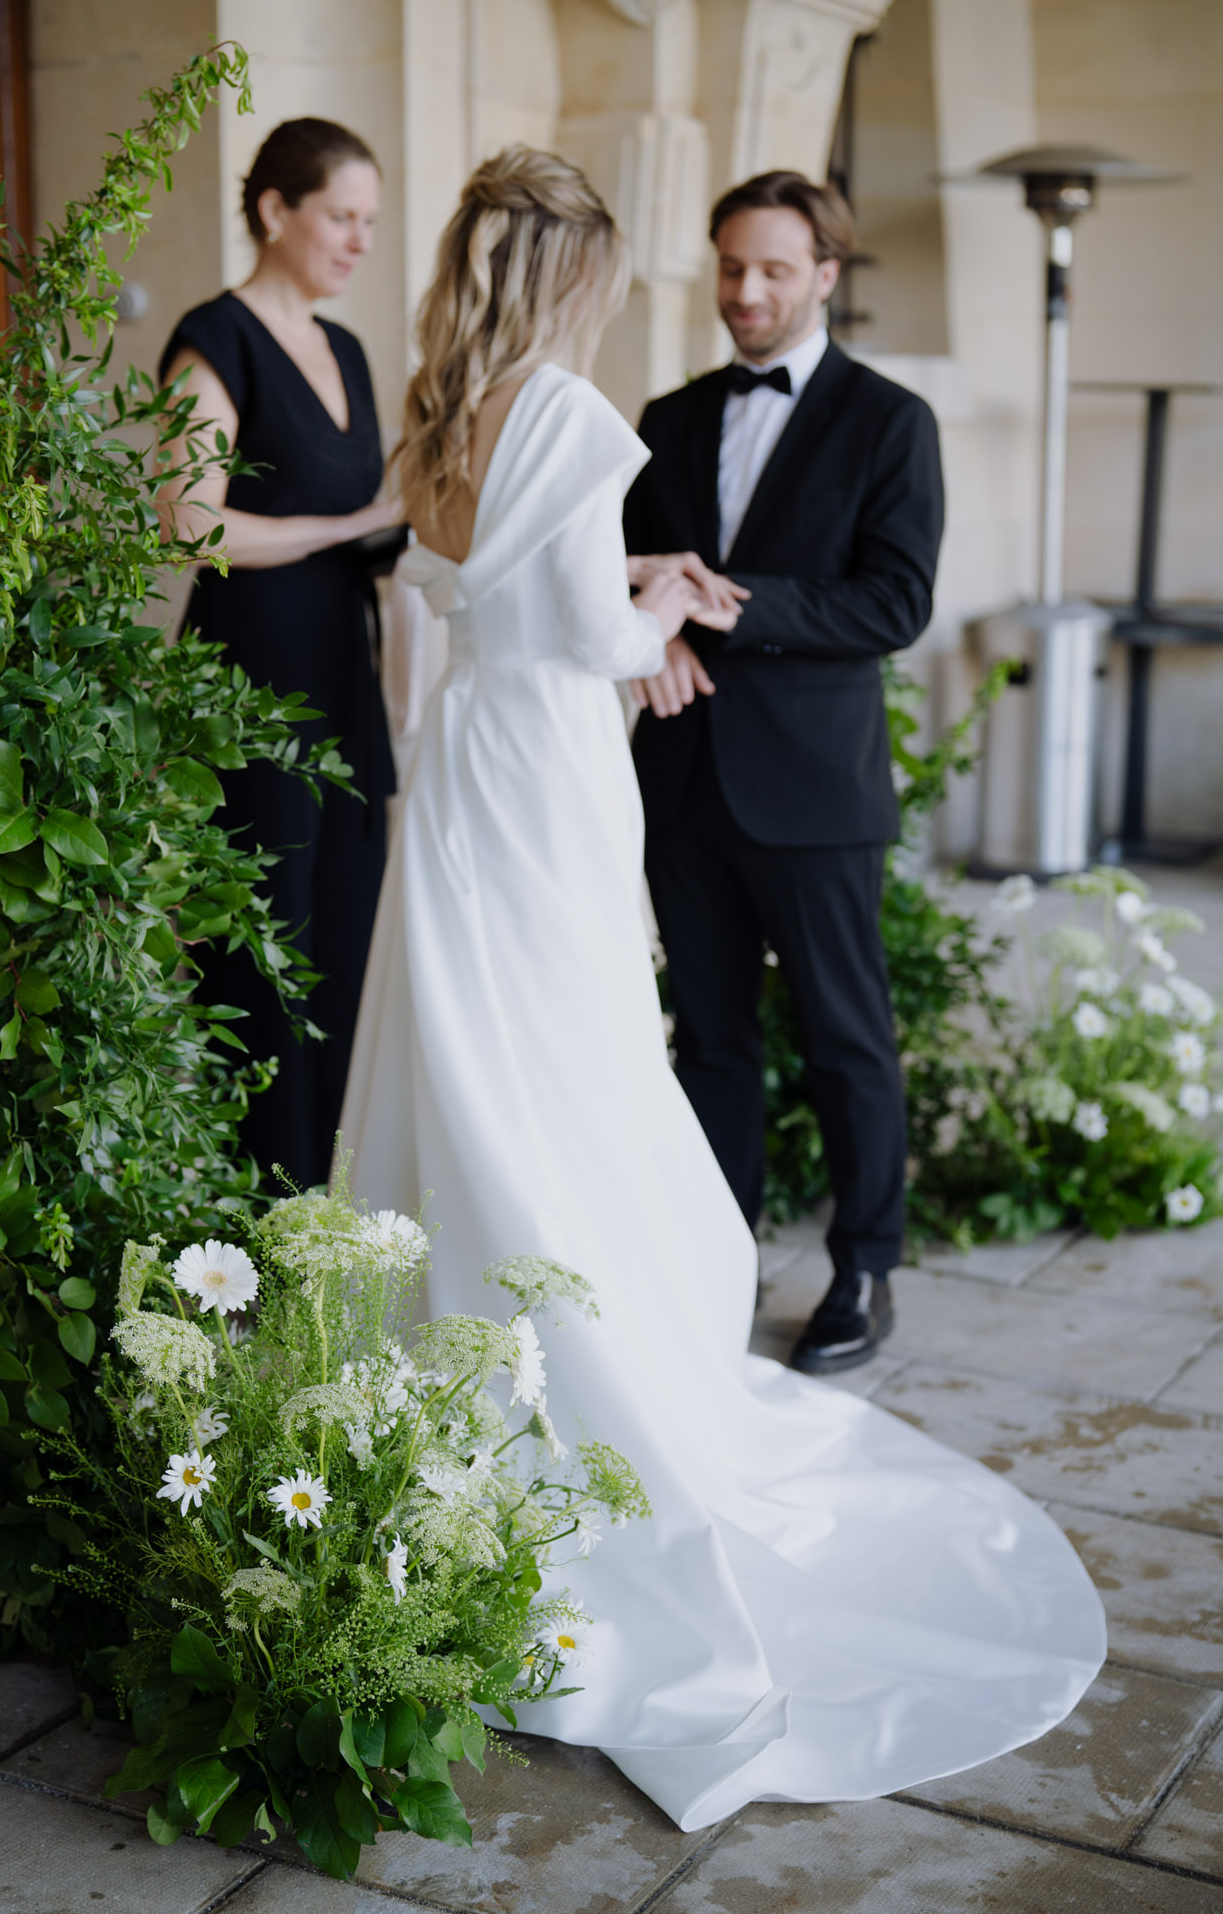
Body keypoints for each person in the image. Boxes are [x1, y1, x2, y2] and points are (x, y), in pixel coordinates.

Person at [339, 145, 1103, 1834]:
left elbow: (454, 590)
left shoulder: (444, 399)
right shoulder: (594, 414)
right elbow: (578, 629)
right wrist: (658, 598)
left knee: (493, 1055)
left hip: (468, 768)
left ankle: (797, 1273)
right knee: (591, 1053)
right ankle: (598, 1344)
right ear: (577, 273)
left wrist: (667, 592)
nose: (722, 296)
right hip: (554, 771)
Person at [625, 170, 941, 1376]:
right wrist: (652, 637)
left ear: (825, 273)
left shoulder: (891, 422)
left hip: (814, 788)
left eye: (770, 269)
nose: (745, 292)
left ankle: (866, 1266)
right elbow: (615, 566)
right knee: (707, 1035)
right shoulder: (665, 412)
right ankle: (720, 1256)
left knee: (843, 1035)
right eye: (729, 268)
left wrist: (725, 607)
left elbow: (895, 598)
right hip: (685, 777)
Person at [158, 119, 401, 1192]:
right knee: (261, 957)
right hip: (249, 680)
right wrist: (342, 531)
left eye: (369, 223)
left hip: (345, 674)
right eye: (342, 216)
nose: (358, 242)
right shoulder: (215, 334)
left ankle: (327, 1213)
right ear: (274, 210)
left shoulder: (346, 348)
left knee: (344, 937)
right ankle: (256, 1222)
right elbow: (189, 521)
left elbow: (377, 520)